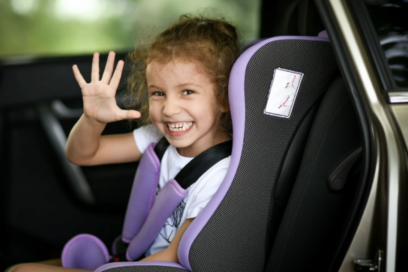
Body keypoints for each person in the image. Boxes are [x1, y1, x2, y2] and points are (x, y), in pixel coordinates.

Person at [6, 14, 239, 272]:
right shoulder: (159, 137)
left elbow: (175, 257)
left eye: (187, 92)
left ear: (224, 98)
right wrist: (92, 119)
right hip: (138, 260)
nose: (170, 109)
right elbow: (82, 154)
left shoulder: (219, 175)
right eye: (158, 93)